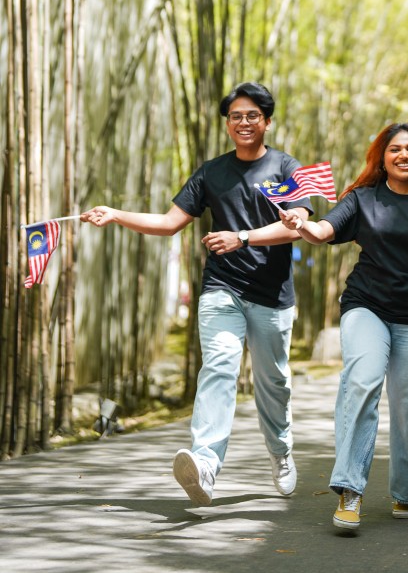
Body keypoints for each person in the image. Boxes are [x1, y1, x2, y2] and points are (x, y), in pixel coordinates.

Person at [81, 81, 312, 507]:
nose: (244, 122)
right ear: (227, 124)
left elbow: (296, 224)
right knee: (219, 369)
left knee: (273, 382)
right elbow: (170, 222)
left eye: (252, 116)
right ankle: (205, 466)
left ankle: (280, 452)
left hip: (272, 295)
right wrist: (115, 214)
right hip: (221, 288)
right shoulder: (211, 172)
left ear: (267, 121)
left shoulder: (286, 167)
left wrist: (242, 237)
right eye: (236, 116)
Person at [278, 122, 408, 531]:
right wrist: (302, 225)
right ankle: (350, 490)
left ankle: (406, 491)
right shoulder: (362, 199)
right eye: (395, 148)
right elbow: (324, 230)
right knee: (362, 381)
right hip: (367, 306)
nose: (404, 155)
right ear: (382, 157)